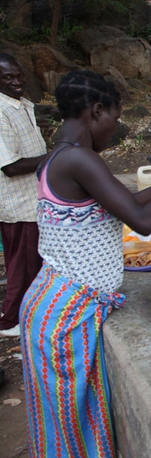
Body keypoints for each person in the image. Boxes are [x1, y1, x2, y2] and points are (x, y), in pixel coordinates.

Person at [20, 70, 151, 458]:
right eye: (116, 120)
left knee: (75, 420)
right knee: (69, 427)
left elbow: (131, 203)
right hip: (65, 312)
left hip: (64, 304)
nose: (116, 129)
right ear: (97, 110)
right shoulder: (78, 159)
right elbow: (141, 223)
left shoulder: (67, 156)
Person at [0, 53, 47, 338]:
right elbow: (11, 166)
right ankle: (9, 321)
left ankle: (26, 312)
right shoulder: (1, 111)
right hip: (19, 204)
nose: (17, 82)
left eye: (18, 76)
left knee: (30, 263)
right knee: (22, 267)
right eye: (8, 78)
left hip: (34, 198)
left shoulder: (22, 105)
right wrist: (54, 158)